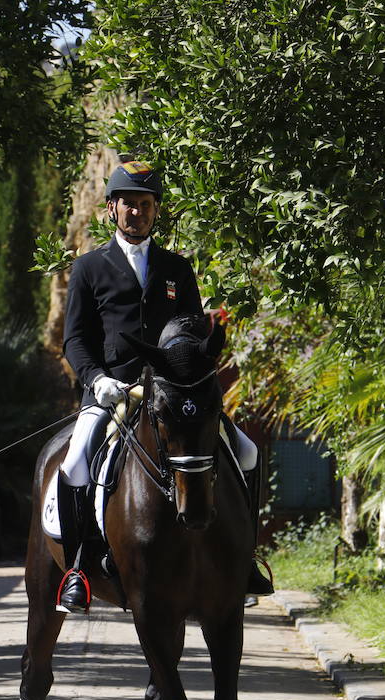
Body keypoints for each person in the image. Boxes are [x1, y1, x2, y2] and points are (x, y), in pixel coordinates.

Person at [57, 158, 274, 615]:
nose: (137, 212)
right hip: (112, 393)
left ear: (156, 211)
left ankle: (246, 559)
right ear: (112, 209)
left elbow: (192, 331)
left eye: (145, 204)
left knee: (248, 453)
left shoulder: (177, 267)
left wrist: (192, 374)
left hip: (173, 396)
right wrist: (97, 380)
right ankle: (78, 566)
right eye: (128, 205)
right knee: (76, 462)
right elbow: (75, 339)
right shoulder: (88, 269)